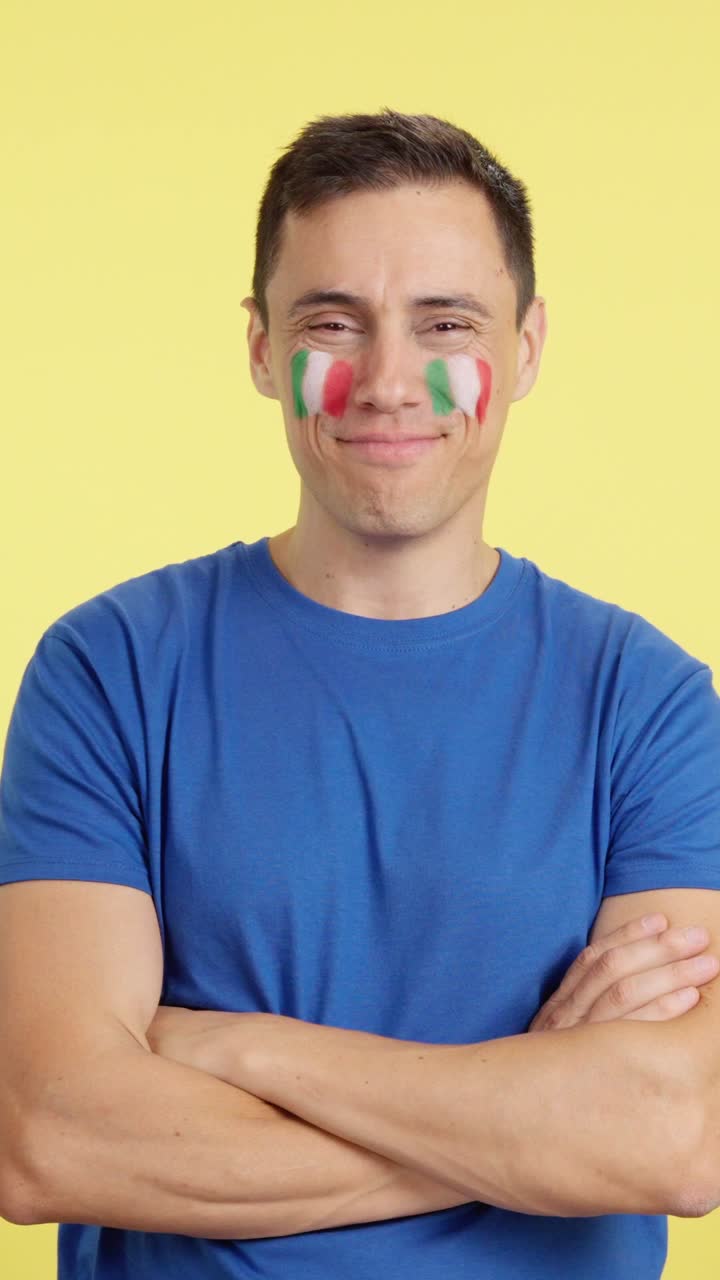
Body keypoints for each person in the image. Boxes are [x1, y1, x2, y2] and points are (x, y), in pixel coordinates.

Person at [1, 108, 720, 1279]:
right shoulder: (110, 668)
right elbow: (50, 1134)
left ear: (528, 347)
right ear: (258, 344)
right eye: (334, 322)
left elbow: (675, 1135)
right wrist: (527, 1108)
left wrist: (240, 1049)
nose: (389, 381)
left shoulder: (647, 703)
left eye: (447, 322)